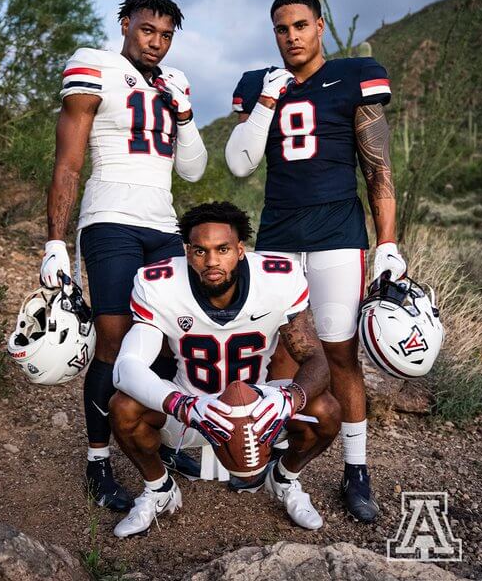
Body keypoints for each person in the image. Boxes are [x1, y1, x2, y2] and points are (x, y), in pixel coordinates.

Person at [224, 0, 406, 523]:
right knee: (278, 351)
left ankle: (356, 469)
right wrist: (265, 102)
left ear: (320, 26)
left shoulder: (353, 77)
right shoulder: (261, 85)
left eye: (300, 25)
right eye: (281, 29)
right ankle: (275, 453)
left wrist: (388, 241)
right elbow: (242, 160)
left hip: (336, 233)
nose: (291, 36)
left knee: (341, 352)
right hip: (278, 232)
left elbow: (380, 169)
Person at [40, 0, 208, 511]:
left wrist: (184, 114)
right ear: (125, 24)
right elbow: (68, 162)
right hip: (110, 218)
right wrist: (54, 242)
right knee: (113, 343)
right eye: (146, 31)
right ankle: (97, 461)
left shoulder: (173, 81)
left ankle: (149, 442)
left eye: (165, 35)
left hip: (163, 226)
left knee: (160, 345)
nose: (155, 43)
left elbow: (193, 170)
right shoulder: (95, 65)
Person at [109, 201, 341, 537]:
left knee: (326, 411)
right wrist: (184, 405)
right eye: (200, 251)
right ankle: (159, 488)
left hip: (259, 407)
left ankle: (284, 479)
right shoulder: (159, 283)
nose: (212, 261)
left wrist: (288, 399)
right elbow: (126, 368)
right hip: (191, 404)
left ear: (240, 250)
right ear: (188, 253)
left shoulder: (278, 279)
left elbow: (317, 361)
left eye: (223, 249)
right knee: (123, 407)